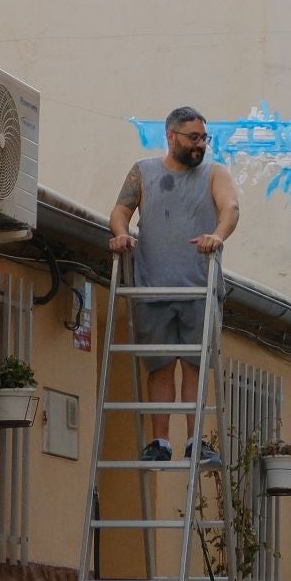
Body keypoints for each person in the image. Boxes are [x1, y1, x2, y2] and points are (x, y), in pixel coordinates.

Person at [108, 107, 240, 463]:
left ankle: (196, 439)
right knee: (160, 365)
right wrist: (121, 235)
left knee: (196, 364)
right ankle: (161, 442)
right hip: (152, 287)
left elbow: (231, 208)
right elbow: (120, 211)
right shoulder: (144, 172)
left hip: (198, 286)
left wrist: (217, 235)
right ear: (171, 136)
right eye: (193, 138)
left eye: (203, 138)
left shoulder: (215, 173)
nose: (199, 145)